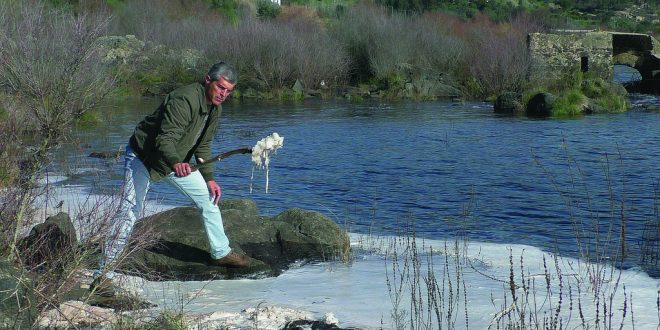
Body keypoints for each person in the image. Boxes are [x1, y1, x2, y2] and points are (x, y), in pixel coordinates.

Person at [91, 62, 249, 296]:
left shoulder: (216, 109)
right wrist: (177, 163)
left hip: (176, 161)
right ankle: (103, 275)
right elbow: (164, 140)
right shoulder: (184, 100)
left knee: (209, 199)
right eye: (221, 87)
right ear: (208, 80)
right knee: (129, 210)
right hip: (144, 157)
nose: (223, 94)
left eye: (228, 91)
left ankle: (221, 252)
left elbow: (203, 145)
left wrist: (210, 178)